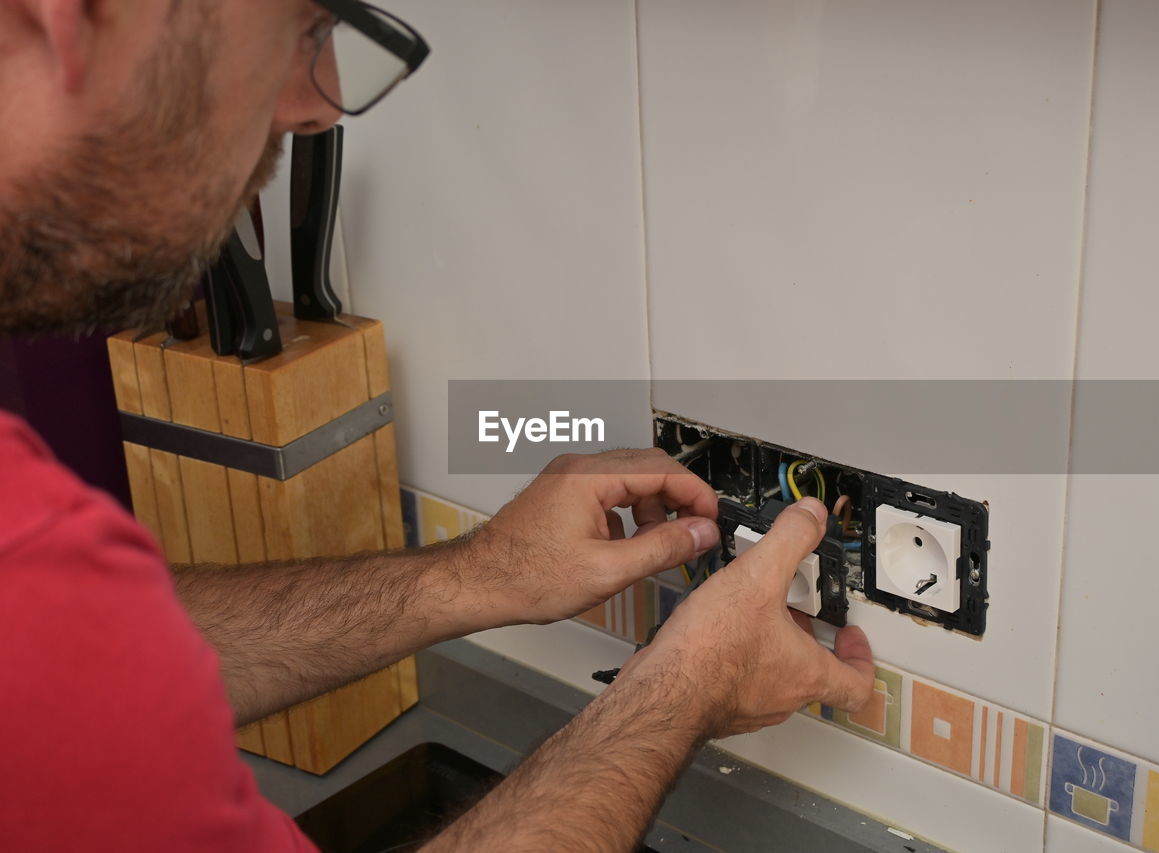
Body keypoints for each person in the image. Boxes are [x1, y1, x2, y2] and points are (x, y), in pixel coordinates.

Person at [0, 2, 875, 850]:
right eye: (304, 26)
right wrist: (681, 691)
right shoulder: (37, 549)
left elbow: (98, 666)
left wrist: (476, 576)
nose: (312, 108)